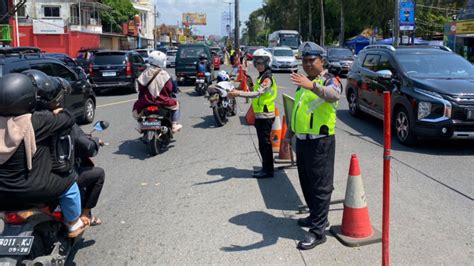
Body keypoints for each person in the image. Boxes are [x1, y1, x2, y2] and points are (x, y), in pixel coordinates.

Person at [0, 73, 88, 238]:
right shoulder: (36, 121)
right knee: (70, 183)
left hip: (2, 193)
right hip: (33, 190)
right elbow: (67, 119)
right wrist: (57, 109)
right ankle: (73, 223)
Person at [282, 42, 342, 250]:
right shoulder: (304, 82)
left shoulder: (329, 80)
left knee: (320, 187)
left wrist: (313, 86)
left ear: (322, 61)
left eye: (311, 60)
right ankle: (316, 217)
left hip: (321, 142)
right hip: (303, 141)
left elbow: (334, 95)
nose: (307, 64)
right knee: (306, 182)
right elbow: (298, 110)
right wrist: (289, 134)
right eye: (304, 61)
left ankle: (318, 232)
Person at [229, 48, 277, 178]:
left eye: (262, 62)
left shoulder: (267, 78)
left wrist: (238, 93)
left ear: (267, 62)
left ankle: (268, 170)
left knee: (265, 145)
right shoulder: (262, 76)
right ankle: (265, 168)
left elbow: (257, 93)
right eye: (257, 62)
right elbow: (253, 89)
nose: (259, 65)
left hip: (266, 115)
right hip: (260, 114)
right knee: (262, 144)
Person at [133, 51, 182, 133]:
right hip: (162, 101)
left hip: (145, 101)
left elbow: (140, 87)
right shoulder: (165, 74)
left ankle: (140, 125)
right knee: (176, 104)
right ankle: (174, 125)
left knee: (137, 108)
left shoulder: (144, 73)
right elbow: (170, 88)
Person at [72, 124, 105, 226]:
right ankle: (86, 214)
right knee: (99, 174)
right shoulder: (62, 120)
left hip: (28, 180)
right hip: (59, 178)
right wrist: (95, 141)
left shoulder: (27, 123)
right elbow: (86, 146)